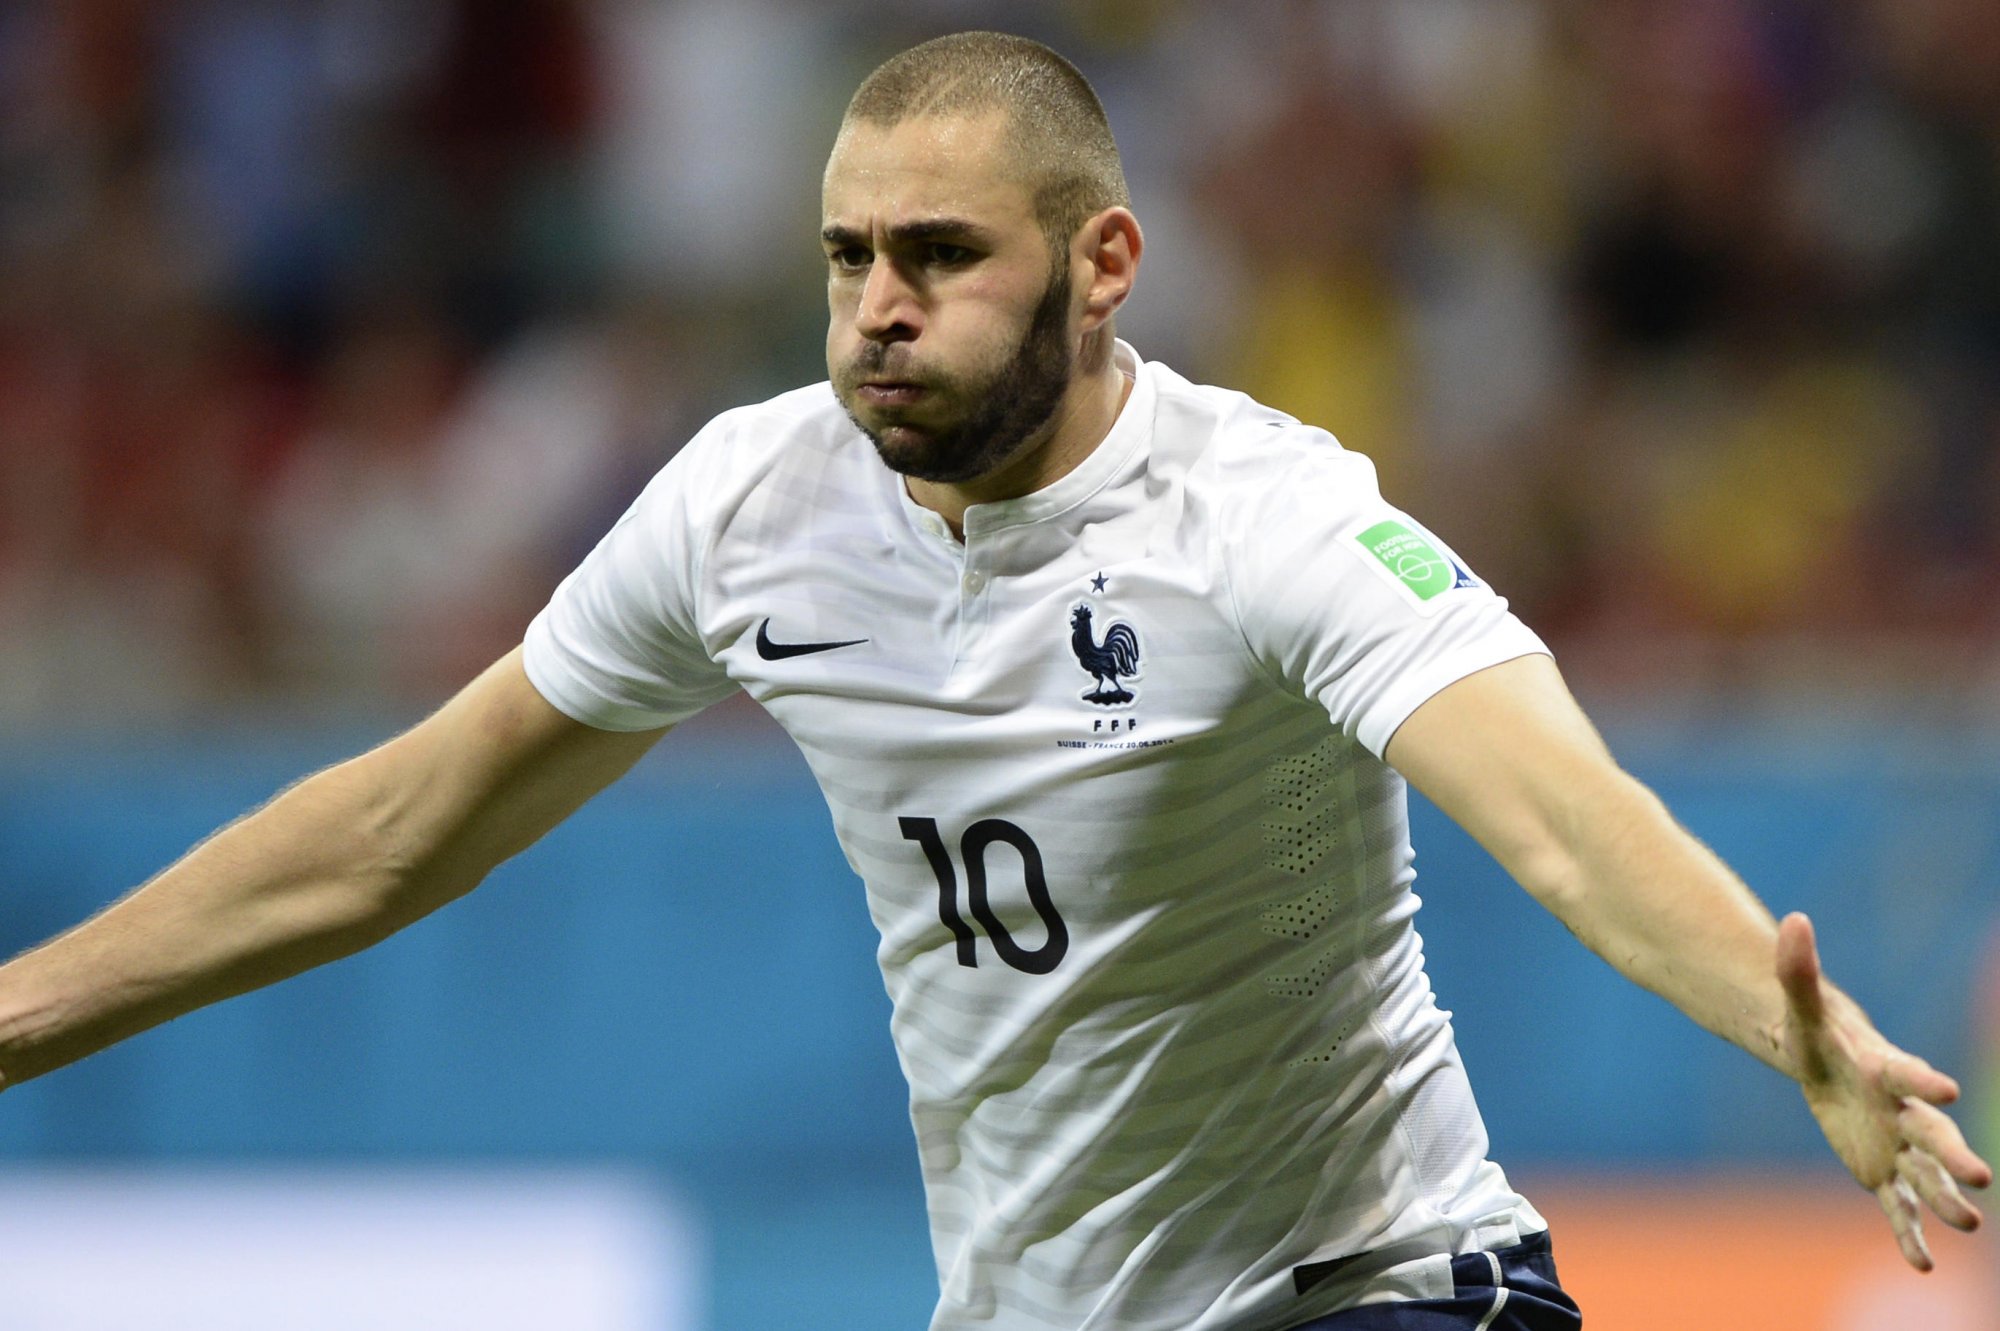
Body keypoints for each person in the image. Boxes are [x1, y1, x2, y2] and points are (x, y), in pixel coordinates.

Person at [0, 31, 1987, 1331]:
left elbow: (1560, 816)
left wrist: (1783, 1026)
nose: (878, 308)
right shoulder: (748, 507)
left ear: (1103, 261)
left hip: (1373, 1284)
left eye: (939, 255)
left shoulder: (1264, 517)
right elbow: (396, 828)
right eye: (847, 255)